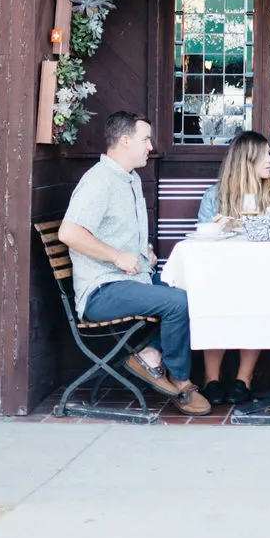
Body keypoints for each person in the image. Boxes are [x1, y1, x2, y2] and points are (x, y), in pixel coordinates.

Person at [59, 111, 209, 416]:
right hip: (102, 289)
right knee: (177, 303)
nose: (150, 146)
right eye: (145, 139)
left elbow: (118, 232)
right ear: (125, 141)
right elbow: (69, 233)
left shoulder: (129, 178)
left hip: (131, 280)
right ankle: (180, 381)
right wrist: (116, 256)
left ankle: (150, 355)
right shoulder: (99, 181)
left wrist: (144, 252)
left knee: (195, 290)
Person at [196, 130, 270, 405]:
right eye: (265, 155)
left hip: (267, 273)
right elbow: (201, 242)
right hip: (223, 272)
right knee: (214, 297)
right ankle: (211, 379)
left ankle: (244, 379)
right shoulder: (214, 196)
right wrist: (219, 229)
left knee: (258, 296)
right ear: (246, 160)